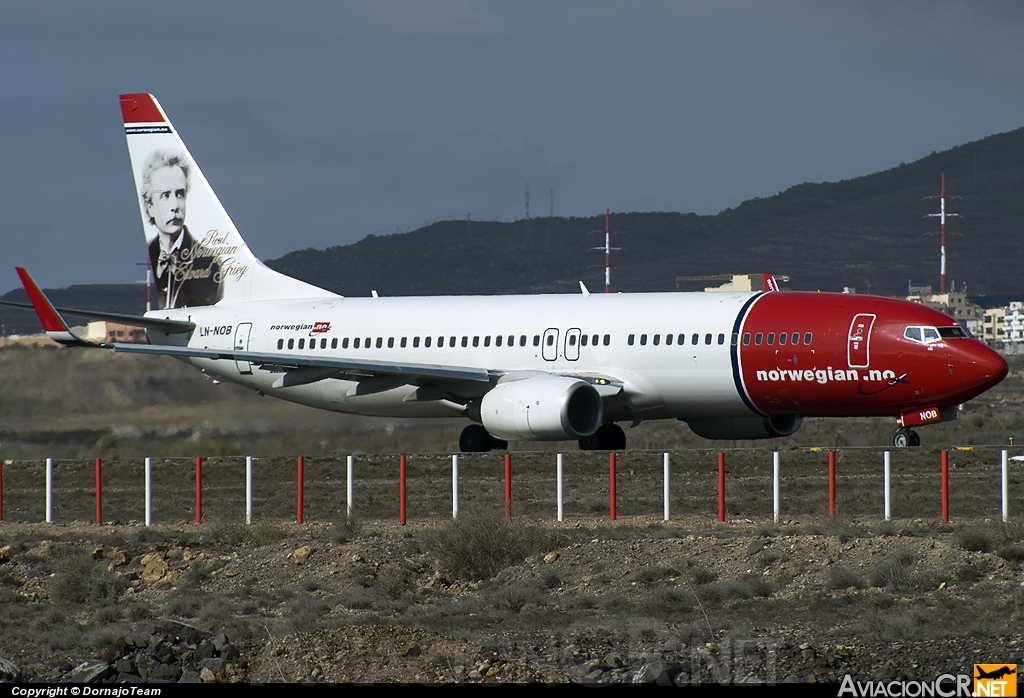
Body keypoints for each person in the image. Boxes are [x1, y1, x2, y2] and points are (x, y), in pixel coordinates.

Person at [141, 150, 223, 309]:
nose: (175, 206)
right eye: (165, 195)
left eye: (180, 194)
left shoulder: (208, 262)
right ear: (150, 207)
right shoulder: (153, 249)